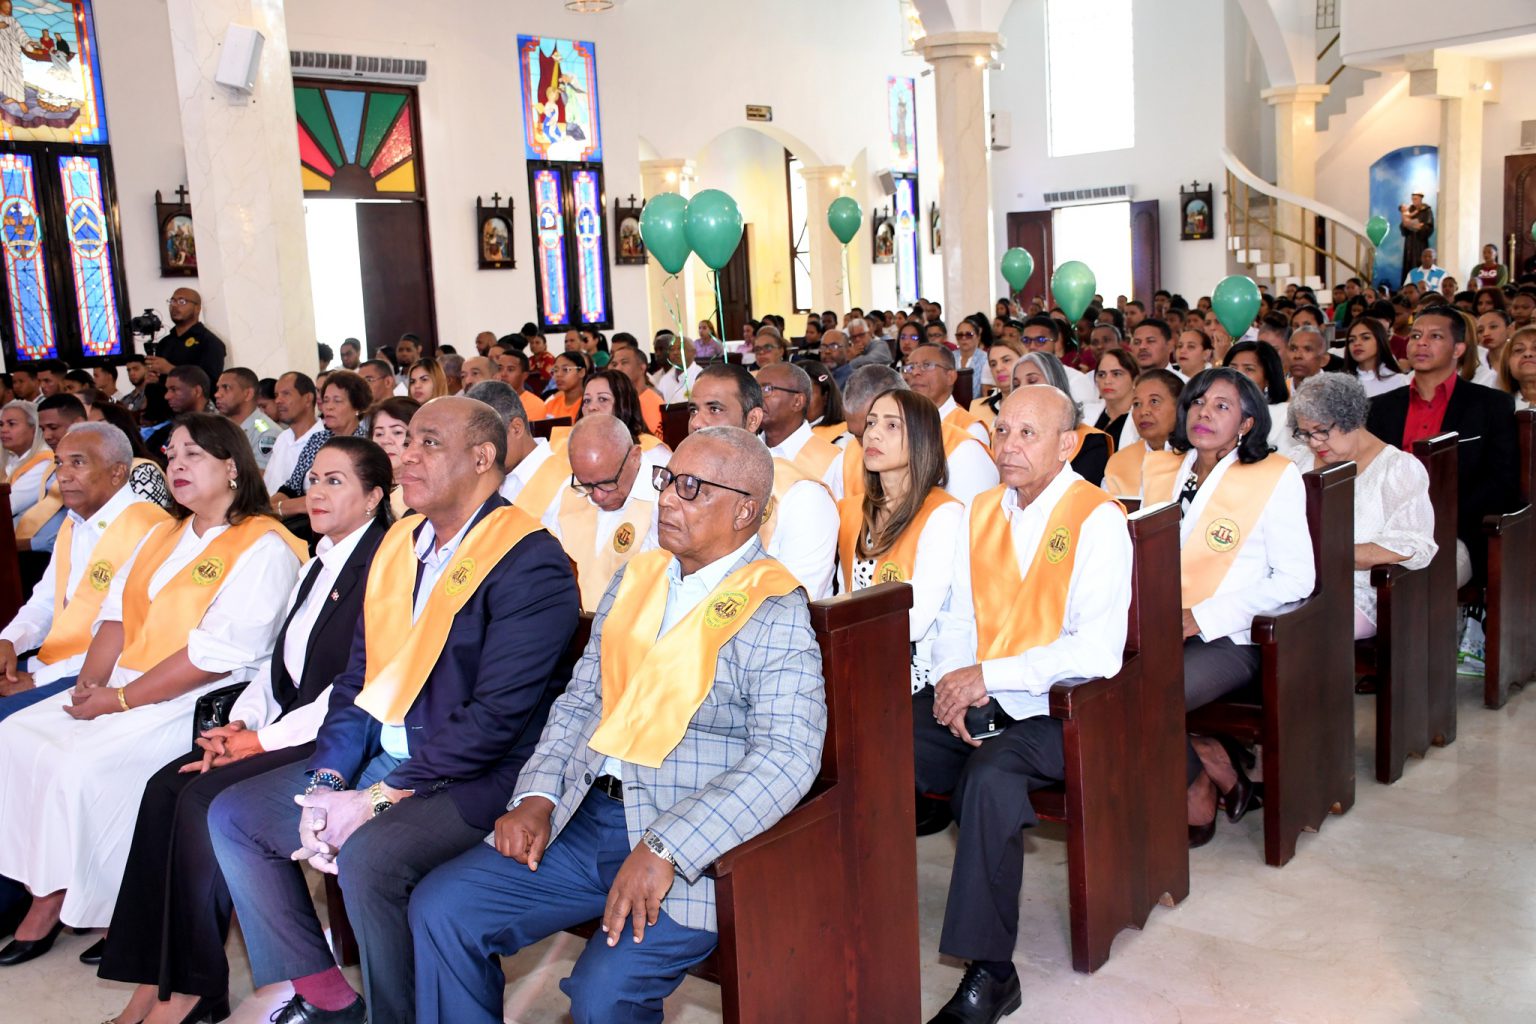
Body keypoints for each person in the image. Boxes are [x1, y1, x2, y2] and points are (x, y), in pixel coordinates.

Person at [410, 426, 825, 1024]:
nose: (668, 498)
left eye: (692, 488)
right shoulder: (639, 577)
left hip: (688, 843)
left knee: (603, 995)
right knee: (442, 909)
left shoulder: (774, 608)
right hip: (584, 815)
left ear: (745, 511)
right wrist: (537, 795)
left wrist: (667, 845)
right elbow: (581, 699)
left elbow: (788, 756)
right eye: (667, 480)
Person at [208, 397, 579, 1024]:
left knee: (369, 855)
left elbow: (495, 718)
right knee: (235, 816)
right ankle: (327, 997)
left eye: (428, 443)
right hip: (388, 752)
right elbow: (359, 680)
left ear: (482, 458)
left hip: (474, 774)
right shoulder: (400, 543)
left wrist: (377, 797)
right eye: (407, 442)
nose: (406, 456)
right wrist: (328, 781)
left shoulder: (528, 559)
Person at [97, 437, 392, 1024]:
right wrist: (242, 722)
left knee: (203, 800)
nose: (316, 491)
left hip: (342, 737)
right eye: (314, 479)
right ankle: (157, 979)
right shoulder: (319, 561)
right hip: (287, 725)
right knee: (166, 788)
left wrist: (261, 741)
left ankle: (191, 991)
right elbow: (277, 668)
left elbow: (354, 689)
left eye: (335, 481)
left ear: (373, 498)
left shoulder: (382, 566)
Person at [0, 414, 305, 965]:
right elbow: (115, 616)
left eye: (193, 455)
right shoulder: (164, 532)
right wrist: (91, 686)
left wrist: (118, 701)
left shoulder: (264, 545)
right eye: (172, 455)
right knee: (17, 736)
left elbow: (214, 656)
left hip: (202, 701)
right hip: (127, 683)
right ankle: (48, 889)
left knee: (82, 767)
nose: (177, 465)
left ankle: (105, 907)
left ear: (232, 467)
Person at [916, 386, 1132, 1023]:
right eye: (1002, 430)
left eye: (1027, 433)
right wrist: (954, 685)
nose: (1008, 446)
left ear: (1068, 444)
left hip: (1060, 709)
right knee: (874, 741)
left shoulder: (1096, 518)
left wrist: (988, 677)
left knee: (989, 780)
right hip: (981, 694)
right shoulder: (981, 509)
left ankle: (992, 973)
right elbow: (956, 616)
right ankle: (853, 914)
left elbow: (1096, 651)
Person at [1139, 368, 1314, 848]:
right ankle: (1209, 760)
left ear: (1247, 423)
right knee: (1099, 690)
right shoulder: (1161, 469)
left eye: (1222, 406)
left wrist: (1203, 617)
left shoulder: (1272, 476)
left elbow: (1297, 579)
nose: (1204, 412)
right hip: (1154, 626)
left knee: (1146, 695)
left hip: (1228, 637)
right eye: (1198, 401)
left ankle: (1197, 788)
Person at [0, 425, 169, 726]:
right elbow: (45, 601)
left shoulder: (152, 529)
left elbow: (128, 637)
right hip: (55, 661)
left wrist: (38, 679)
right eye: (59, 463)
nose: (62, 475)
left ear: (117, 472)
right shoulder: (75, 521)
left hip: (104, 674)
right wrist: (10, 641)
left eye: (77, 462)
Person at [1366, 309, 1518, 588]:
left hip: (1456, 532)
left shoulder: (1490, 405)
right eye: (1415, 336)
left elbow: (1502, 481)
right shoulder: (1380, 407)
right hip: (1384, 530)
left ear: (1458, 349)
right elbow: (1368, 472)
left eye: (1435, 336)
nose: (1421, 343)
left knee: (1415, 585)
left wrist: (1433, 515)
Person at [1289, 375, 1436, 640]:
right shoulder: (1297, 461)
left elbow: (1415, 545)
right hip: (1292, 583)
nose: (1314, 443)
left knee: (1300, 632)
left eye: (1321, 431)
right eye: (1305, 434)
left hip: (1357, 591)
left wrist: (1332, 555)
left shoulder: (1397, 468)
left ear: (1351, 420)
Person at [839, 388, 959, 692]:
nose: (874, 434)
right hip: (857, 659)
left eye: (892, 425)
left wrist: (843, 622)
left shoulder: (943, 514)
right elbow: (843, 594)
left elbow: (915, 620)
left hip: (918, 675)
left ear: (921, 439)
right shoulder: (853, 510)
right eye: (871, 423)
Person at [687, 364, 837, 599]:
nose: (696, 422)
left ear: (753, 420)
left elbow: (798, 601)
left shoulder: (802, 496)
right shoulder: (685, 484)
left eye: (714, 409)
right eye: (693, 410)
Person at [529, 413, 661, 610]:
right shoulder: (568, 493)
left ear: (635, 456)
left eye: (607, 483)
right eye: (587, 485)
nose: (598, 496)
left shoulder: (663, 502)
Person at [840, 365, 998, 505]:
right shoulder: (849, 453)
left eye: (891, 425)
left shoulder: (963, 451)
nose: (871, 436)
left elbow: (972, 523)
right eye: (870, 423)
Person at [270, 370, 372, 520]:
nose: (328, 407)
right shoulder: (318, 439)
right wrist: (265, 508)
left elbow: (334, 495)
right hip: (302, 519)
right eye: (326, 400)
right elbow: (291, 487)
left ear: (357, 406)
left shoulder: (365, 445)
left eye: (337, 401)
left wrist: (281, 508)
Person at [759, 361, 844, 492]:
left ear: (797, 401)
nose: (756, 398)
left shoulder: (833, 459)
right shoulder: (746, 448)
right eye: (754, 390)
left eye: (767, 389)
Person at [1102, 370, 1184, 499]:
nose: (1143, 411)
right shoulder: (1119, 462)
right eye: (1137, 404)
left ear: (1180, 407)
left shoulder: (1196, 459)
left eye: (1154, 401)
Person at [88, 403, 175, 509]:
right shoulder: (90, 475)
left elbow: (151, 517)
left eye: (99, 427)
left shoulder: (142, 472)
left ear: (121, 430)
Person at [902, 344, 990, 445]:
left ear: (950, 377)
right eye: (910, 367)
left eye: (926, 365)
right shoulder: (900, 421)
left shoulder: (970, 429)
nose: (915, 372)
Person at [3, 399, 60, 550]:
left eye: (11, 424)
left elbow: (8, 505)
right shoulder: (13, 459)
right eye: (1, 424)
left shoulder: (44, 463)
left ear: (34, 429)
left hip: (28, 549)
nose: (3, 430)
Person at [146, 289, 226, 383]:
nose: (174, 305)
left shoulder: (209, 342)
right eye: (172, 301)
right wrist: (154, 380)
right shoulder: (164, 343)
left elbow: (211, 383)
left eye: (182, 301)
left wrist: (171, 370)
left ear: (197, 308)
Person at [262, 373, 322, 497]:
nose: (278, 400)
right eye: (276, 395)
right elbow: (268, 485)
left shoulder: (324, 442)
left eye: (286, 394)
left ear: (308, 399)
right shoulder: (282, 438)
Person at [215, 367, 280, 469]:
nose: (217, 394)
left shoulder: (265, 431)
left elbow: (261, 475)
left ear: (248, 394)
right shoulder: (219, 427)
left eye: (226, 387)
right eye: (218, 388)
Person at [145, 366, 212, 458]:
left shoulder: (218, 430)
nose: (167, 396)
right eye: (167, 390)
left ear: (197, 391)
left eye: (174, 389)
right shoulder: (166, 430)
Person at [370, 395, 421, 518]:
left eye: (397, 432)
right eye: (379, 434)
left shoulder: (429, 494)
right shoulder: (363, 486)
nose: (386, 441)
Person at [1089, 346, 1141, 450]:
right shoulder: (1086, 414)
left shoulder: (1142, 417)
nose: (1107, 381)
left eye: (1116, 374)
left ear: (1135, 380)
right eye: (1101, 375)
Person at [1344, 316, 1407, 399]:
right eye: (1351, 340)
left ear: (1380, 341)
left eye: (1365, 338)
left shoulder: (1398, 381)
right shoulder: (1341, 383)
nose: (1357, 343)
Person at [608, 344, 662, 434]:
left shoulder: (653, 401)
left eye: (624, 362)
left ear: (642, 367)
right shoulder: (618, 400)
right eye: (614, 364)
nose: (618, 368)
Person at [801, 359, 847, 444]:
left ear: (825, 396)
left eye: (807, 394)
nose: (799, 401)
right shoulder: (778, 434)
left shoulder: (843, 437)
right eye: (791, 394)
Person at [1398, 194, 1434, 286]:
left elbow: (1429, 226)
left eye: (1416, 199)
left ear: (1421, 199)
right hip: (1409, 243)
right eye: (1413, 199)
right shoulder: (1410, 210)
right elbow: (1403, 226)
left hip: (1420, 243)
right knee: (1408, 264)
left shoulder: (1426, 210)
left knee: (1419, 263)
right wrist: (1406, 225)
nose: (1414, 201)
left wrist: (1420, 228)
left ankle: (1421, 285)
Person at [546, 351, 591, 420]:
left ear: (581, 372)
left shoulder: (589, 405)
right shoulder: (551, 404)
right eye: (555, 370)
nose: (558, 375)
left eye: (565, 369)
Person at [1286, 326, 1330, 390]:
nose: (1297, 356)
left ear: (1323, 359)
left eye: (1307, 350)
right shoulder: (1279, 389)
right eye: (1293, 349)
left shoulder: (1337, 391)